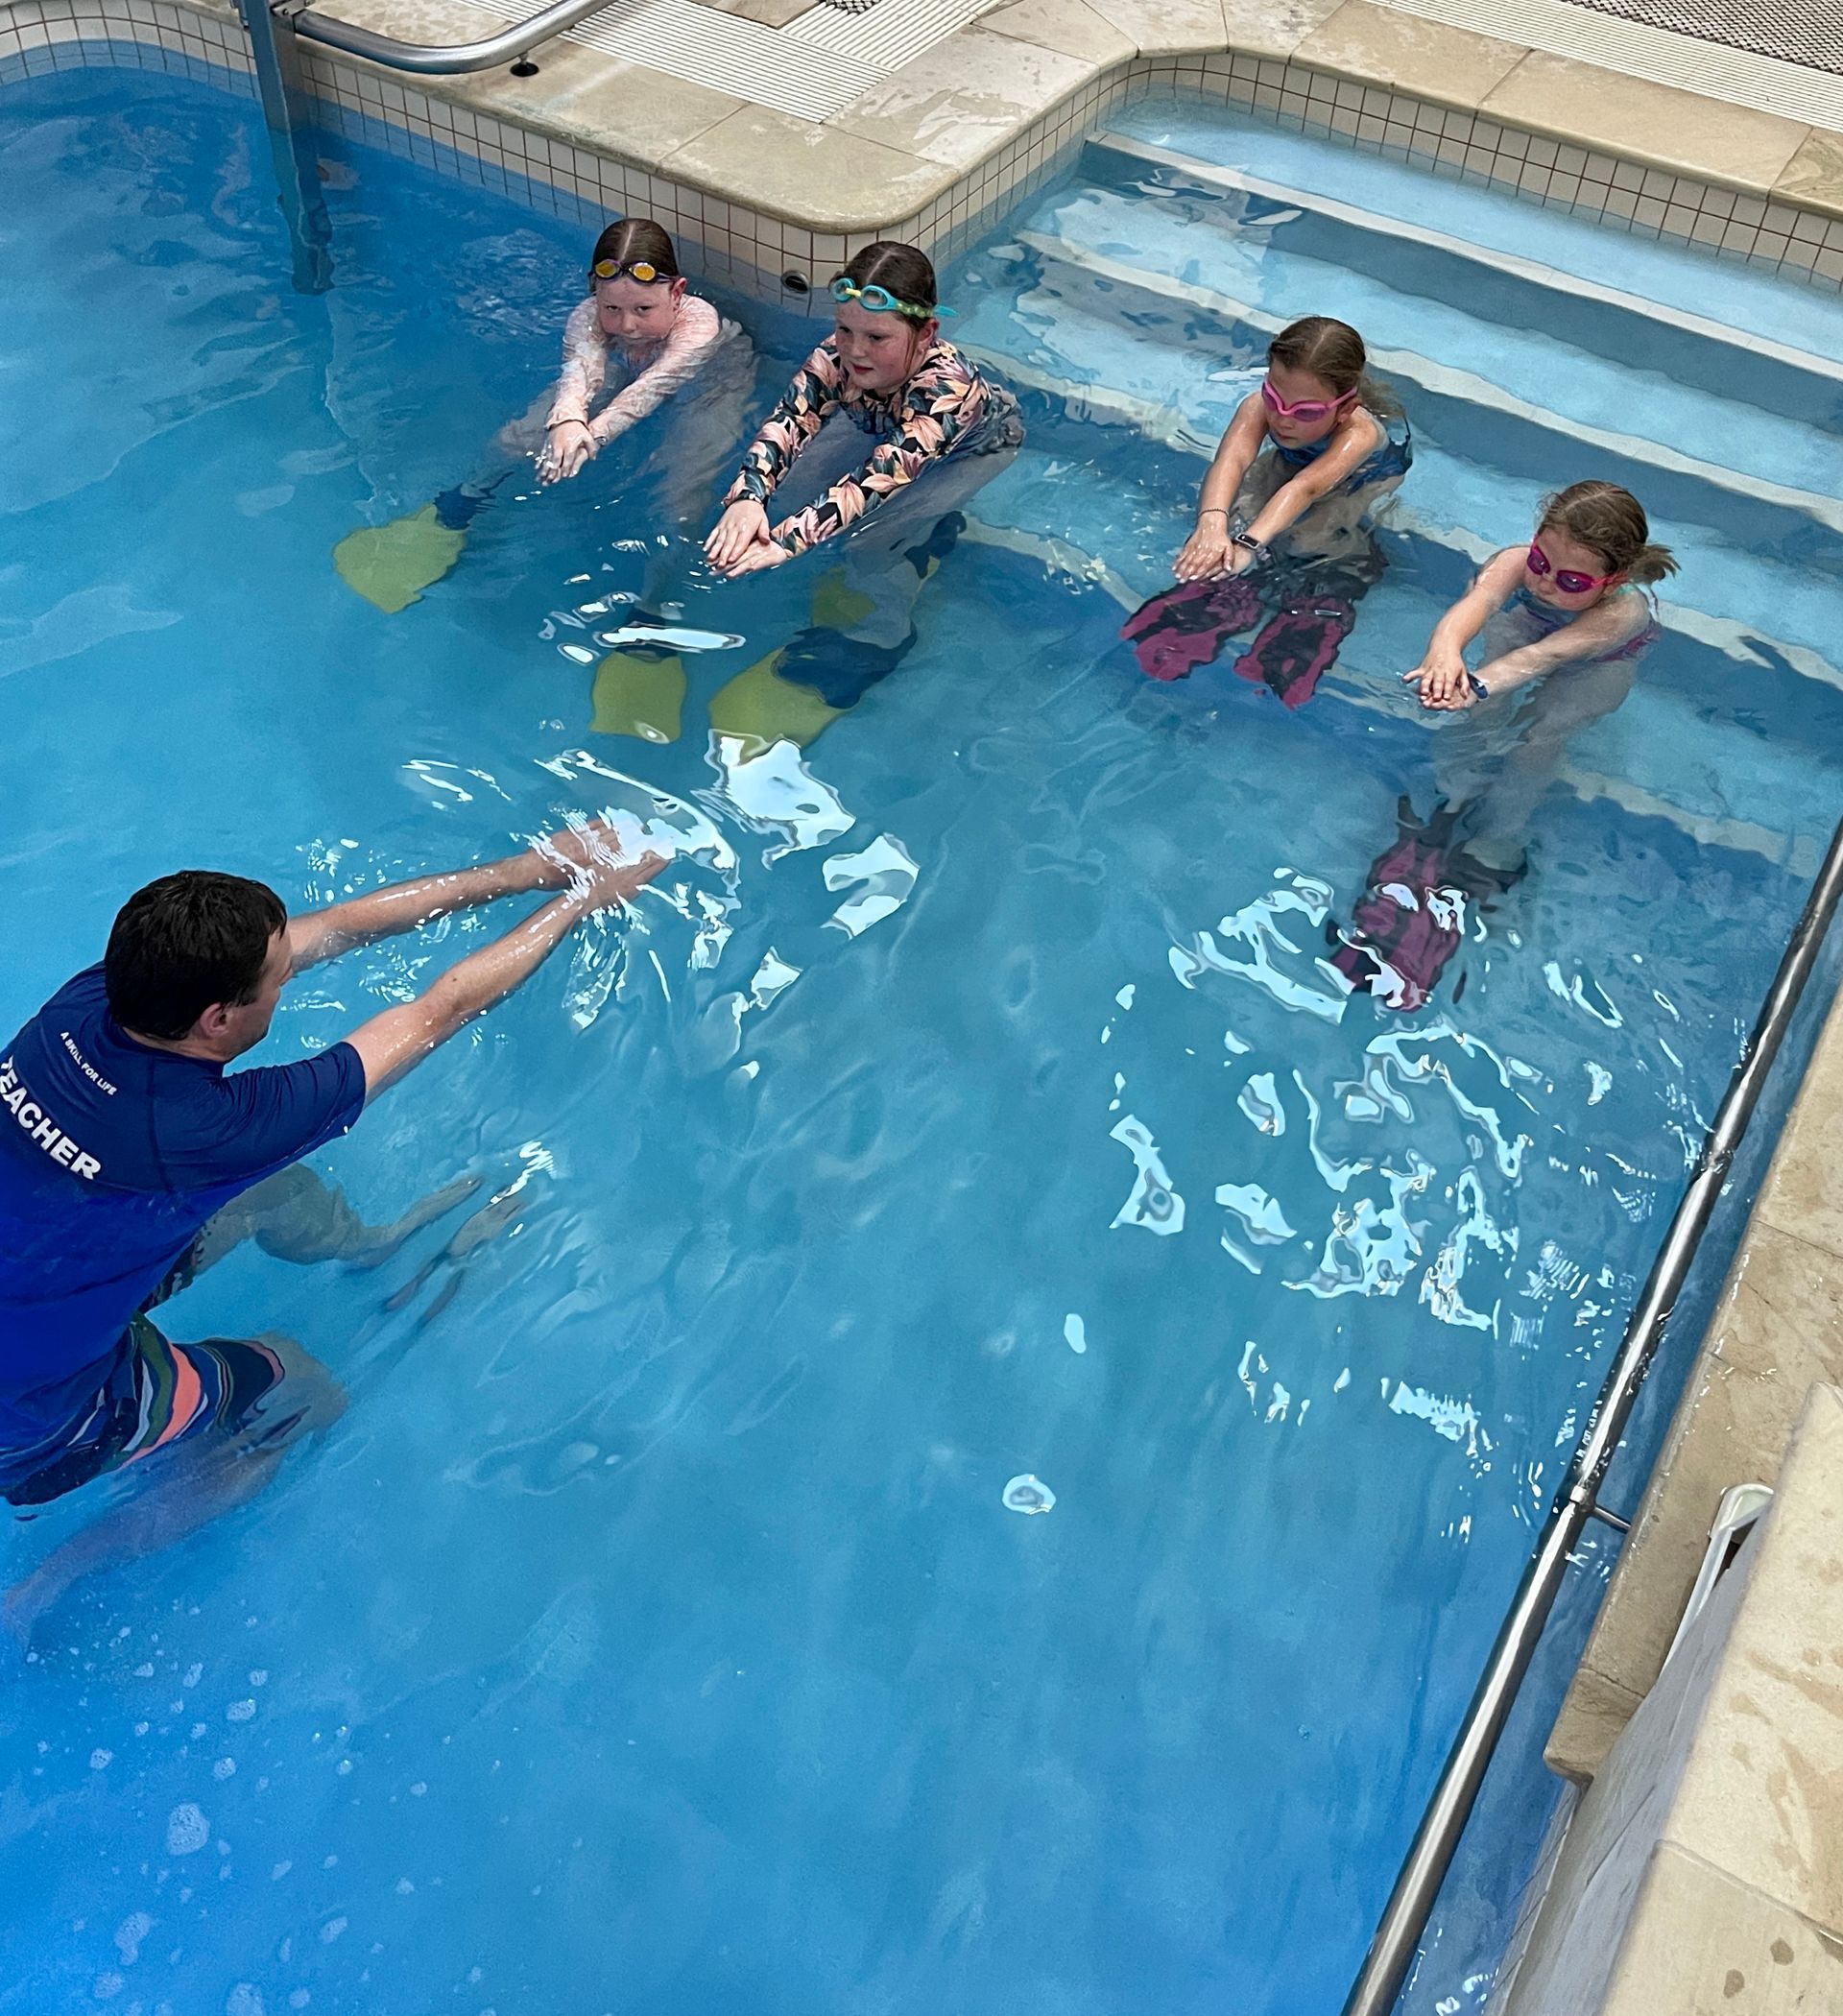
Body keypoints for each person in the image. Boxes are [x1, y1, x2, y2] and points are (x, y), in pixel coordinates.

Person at [0, 823, 662, 1628]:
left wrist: (531, 869)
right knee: (299, 1387)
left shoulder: (90, 1002)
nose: (289, 979)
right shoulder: (212, 1131)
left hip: (38, 1271)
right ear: (217, 1018)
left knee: (274, 1191)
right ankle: (51, 1582)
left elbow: (332, 929)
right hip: (35, 1414)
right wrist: (583, 899)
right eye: (275, 981)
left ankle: (368, 1248)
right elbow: (441, 1010)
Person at [644, 240, 1024, 757]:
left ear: (927, 333)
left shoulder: (946, 393)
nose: (855, 350)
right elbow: (790, 420)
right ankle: (922, 530)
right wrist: (748, 497)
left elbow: (877, 480)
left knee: (870, 539)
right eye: (845, 330)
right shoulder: (837, 355)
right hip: (880, 421)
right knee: (791, 493)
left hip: (970, 450)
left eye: (876, 337)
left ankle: (882, 635)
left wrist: (787, 544)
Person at [1330, 482, 1675, 1008]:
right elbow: (1476, 605)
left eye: (1572, 581)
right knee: (1483, 707)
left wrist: (1474, 685)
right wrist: (1445, 654)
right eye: (1540, 562)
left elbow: (1542, 659)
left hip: (1598, 664)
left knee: (1541, 735)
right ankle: (1454, 793)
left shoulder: (1622, 613)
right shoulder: (1516, 564)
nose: (1546, 582)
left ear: (1615, 580)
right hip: (1528, 631)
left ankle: (1501, 835)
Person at [334, 220, 752, 635]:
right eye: (612, 309)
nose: (626, 325)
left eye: (643, 309)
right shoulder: (588, 316)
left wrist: (590, 436)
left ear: (676, 292)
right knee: (515, 439)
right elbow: (580, 373)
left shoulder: (699, 325)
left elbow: (652, 389)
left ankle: (653, 606)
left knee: (681, 500)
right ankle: (462, 501)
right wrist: (566, 420)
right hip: (627, 364)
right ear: (595, 292)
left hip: (711, 383)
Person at [1126, 316, 1411, 704]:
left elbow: (1306, 487)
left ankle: (1326, 596)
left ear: (1345, 408)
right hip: (1295, 464)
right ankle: (1238, 594)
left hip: (1359, 478)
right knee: (1241, 510)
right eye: (1274, 398)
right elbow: (1232, 460)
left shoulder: (1359, 433)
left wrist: (1248, 544)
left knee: (1306, 539)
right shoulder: (1259, 407)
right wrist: (1212, 525)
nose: (1281, 418)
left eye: (1304, 412)